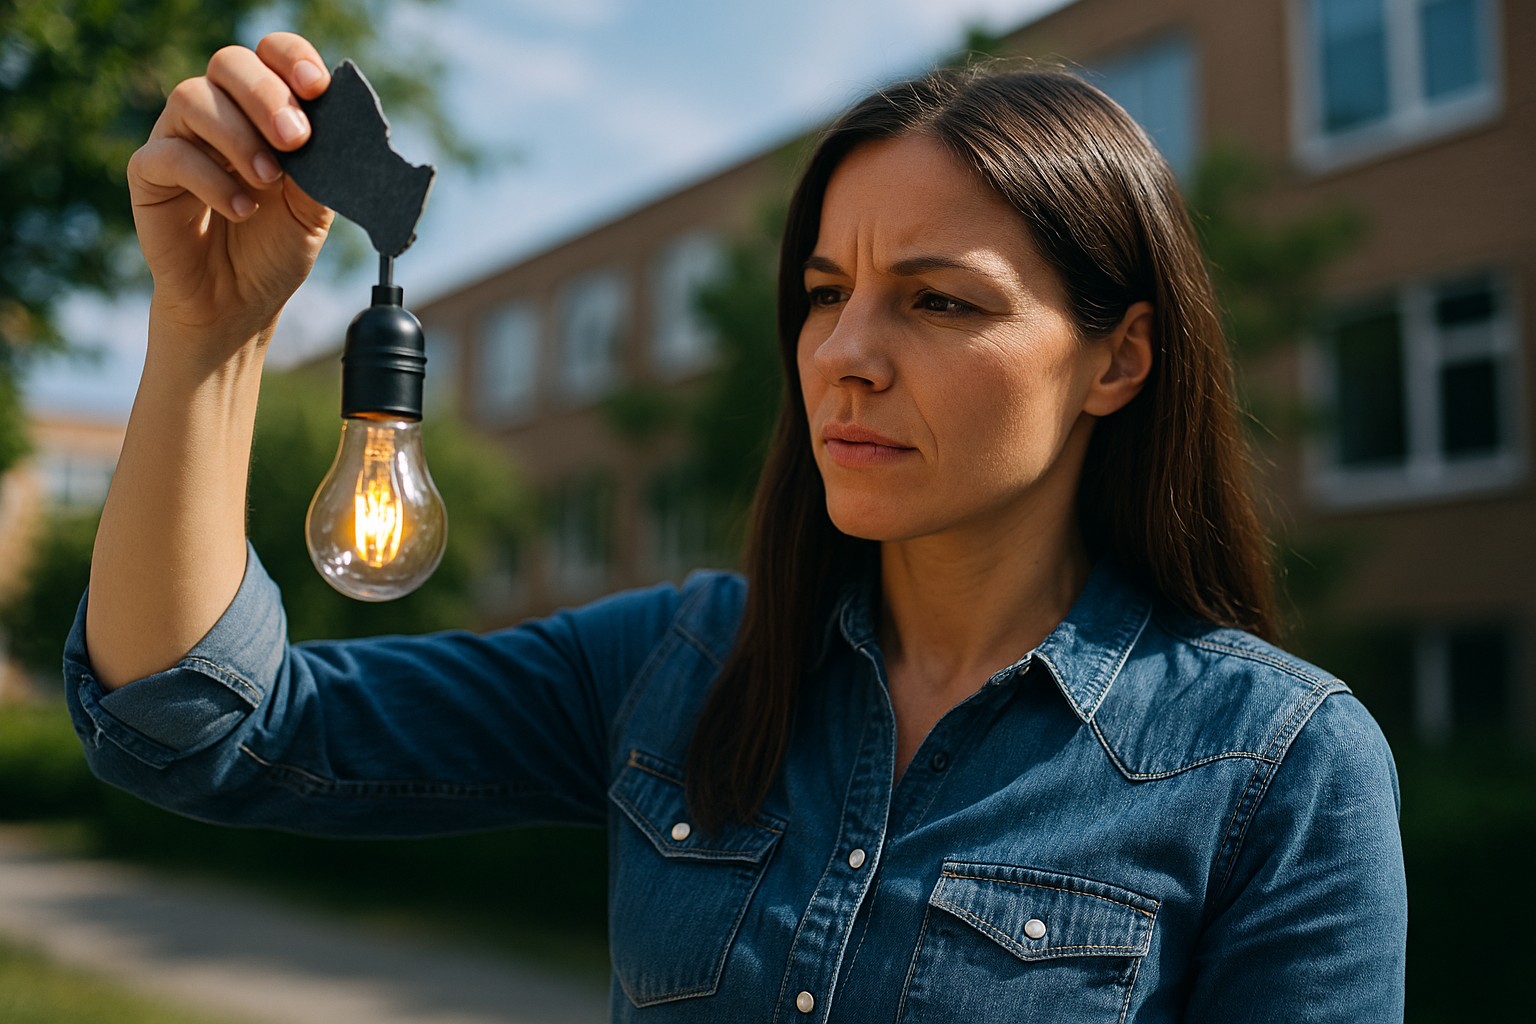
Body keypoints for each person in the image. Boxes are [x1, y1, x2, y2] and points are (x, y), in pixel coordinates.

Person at [64, 31, 1407, 1023]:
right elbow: (195, 724)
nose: (846, 356)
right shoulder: (681, 668)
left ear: (1118, 360)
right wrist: (210, 334)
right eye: (827, 293)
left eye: (941, 302)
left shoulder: (1278, 771)